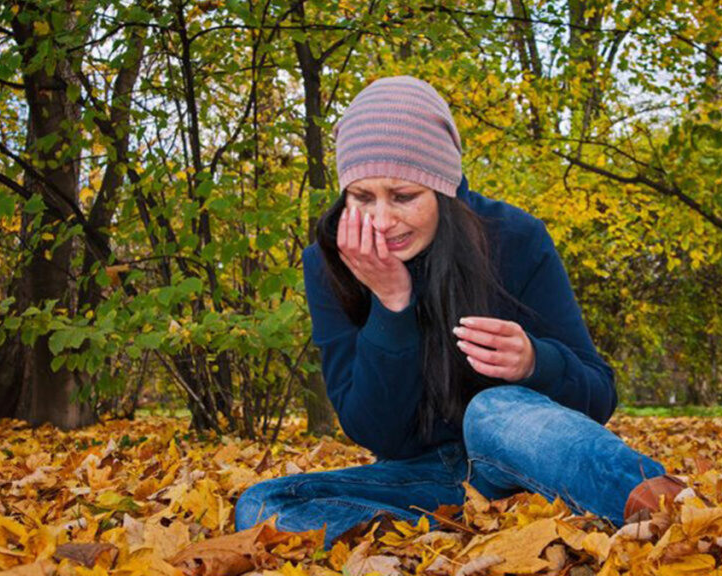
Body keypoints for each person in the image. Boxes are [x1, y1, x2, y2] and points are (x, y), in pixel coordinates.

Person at [234, 75, 683, 544]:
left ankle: (674, 515)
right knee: (262, 507)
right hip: (424, 478)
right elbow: (379, 435)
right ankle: (447, 537)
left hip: (523, 458)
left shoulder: (515, 237)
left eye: (404, 196)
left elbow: (599, 395)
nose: (382, 222)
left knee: (492, 409)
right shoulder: (332, 262)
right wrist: (391, 305)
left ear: (443, 187)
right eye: (362, 197)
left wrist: (536, 362)